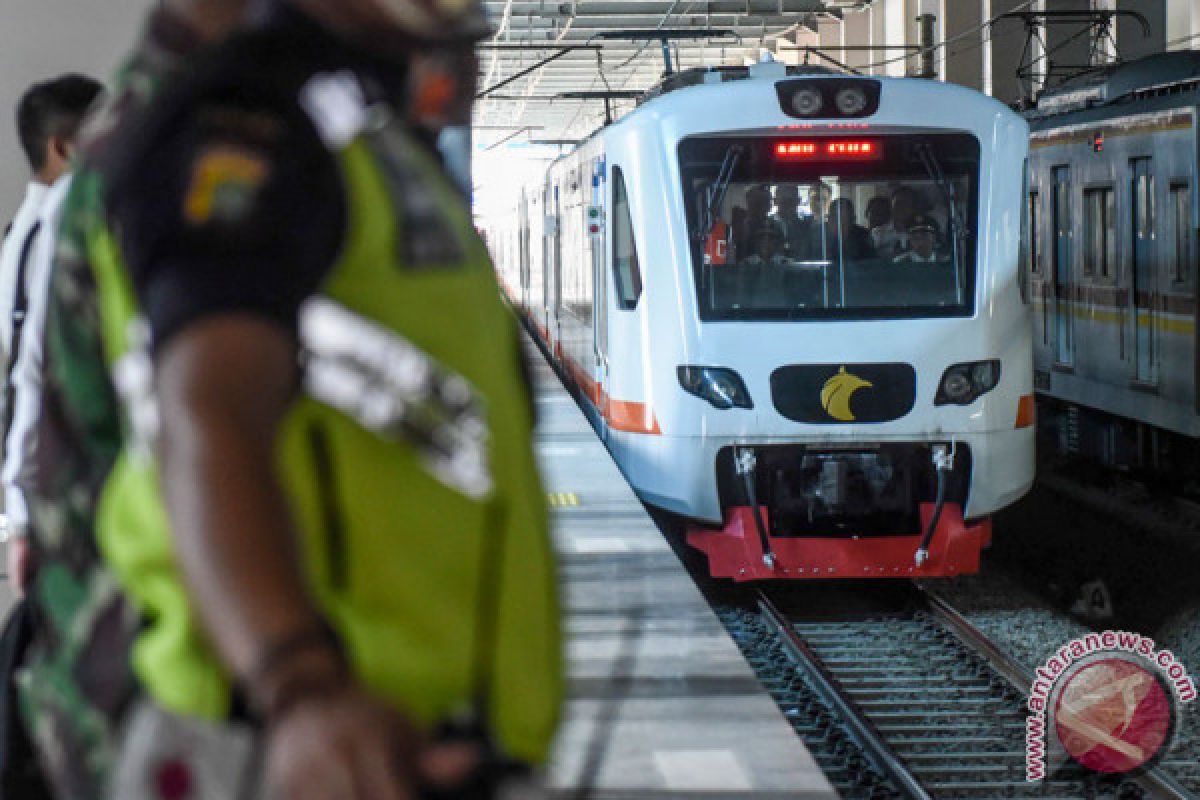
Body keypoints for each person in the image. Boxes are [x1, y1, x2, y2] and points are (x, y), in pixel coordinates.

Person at [25, 2, 563, 800]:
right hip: (282, 746)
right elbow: (208, 410)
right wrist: (302, 684)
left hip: (395, 742)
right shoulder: (250, 123)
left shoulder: (362, 137)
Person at [0, 75, 104, 598]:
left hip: (46, 488)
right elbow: (33, 374)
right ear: (62, 147)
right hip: (67, 491)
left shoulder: (18, 236)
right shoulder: (66, 224)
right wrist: (20, 517)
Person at [871, 186, 916, 258]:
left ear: (913, 208)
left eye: (906, 204)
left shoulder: (920, 234)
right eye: (898, 203)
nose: (902, 208)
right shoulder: (877, 233)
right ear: (891, 206)